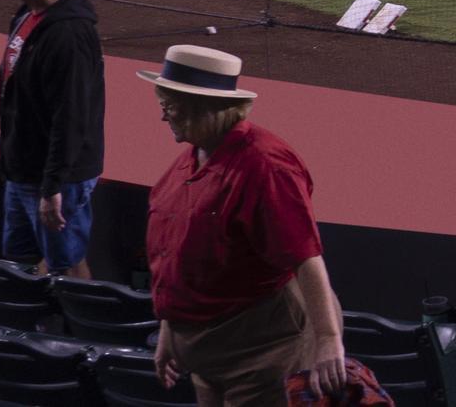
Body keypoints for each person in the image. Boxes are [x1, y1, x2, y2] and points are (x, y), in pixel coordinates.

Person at [142, 45, 347, 406]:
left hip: (262, 348)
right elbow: (176, 257)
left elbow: (305, 256)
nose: (163, 117)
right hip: (206, 353)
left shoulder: (265, 165)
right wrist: (169, 331)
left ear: (205, 107)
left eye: (170, 107)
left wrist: (328, 338)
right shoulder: (193, 156)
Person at [0, 0, 104, 278]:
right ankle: (30, 326)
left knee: (65, 262)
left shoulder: (69, 36)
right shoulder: (30, 13)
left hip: (56, 177)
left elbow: (71, 116)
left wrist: (53, 184)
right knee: (21, 260)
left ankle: (82, 329)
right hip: (25, 165)